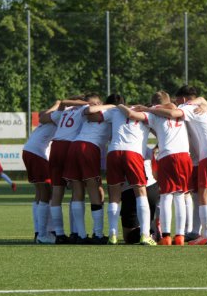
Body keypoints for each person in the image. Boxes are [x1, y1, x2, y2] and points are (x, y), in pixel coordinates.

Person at [145, 85, 207, 246]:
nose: (176, 103)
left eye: (178, 100)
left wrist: (150, 109)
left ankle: (205, 236)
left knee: (200, 196)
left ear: (183, 99)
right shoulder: (205, 108)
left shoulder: (187, 107)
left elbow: (172, 112)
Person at [120, 91, 192, 246]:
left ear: (152, 103)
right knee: (180, 195)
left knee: (166, 195)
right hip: (185, 155)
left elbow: (133, 116)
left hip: (168, 155)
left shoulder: (152, 114)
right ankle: (180, 236)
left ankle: (166, 236)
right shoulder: (181, 111)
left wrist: (126, 107)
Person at [88, 99, 156, 245]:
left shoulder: (115, 111)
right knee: (141, 193)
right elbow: (161, 133)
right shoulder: (147, 114)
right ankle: (145, 235)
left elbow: (92, 116)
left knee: (114, 196)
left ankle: (112, 235)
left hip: (113, 152)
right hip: (133, 153)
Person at [41, 95, 92, 244]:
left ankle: (60, 234)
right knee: (77, 189)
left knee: (57, 191)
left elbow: (45, 117)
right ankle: (78, 233)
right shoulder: (83, 109)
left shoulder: (64, 112)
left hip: (55, 146)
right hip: (69, 147)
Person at [63, 93, 112, 244]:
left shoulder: (102, 112)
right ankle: (97, 234)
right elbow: (88, 111)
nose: (91, 106)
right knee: (93, 190)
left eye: (94, 103)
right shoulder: (109, 111)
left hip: (75, 146)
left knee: (78, 191)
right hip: (88, 147)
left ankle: (80, 235)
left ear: (100, 102)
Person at [23, 100, 60, 244]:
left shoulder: (53, 115)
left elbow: (42, 114)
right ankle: (43, 235)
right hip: (37, 152)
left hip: (31, 151)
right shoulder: (58, 114)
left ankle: (39, 231)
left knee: (40, 192)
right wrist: (58, 105)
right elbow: (43, 114)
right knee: (46, 191)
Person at [121, 145, 160, 244]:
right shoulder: (147, 149)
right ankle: (153, 229)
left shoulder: (119, 148)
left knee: (128, 238)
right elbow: (156, 174)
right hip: (152, 188)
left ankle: (150, 231)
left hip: (130, 191)